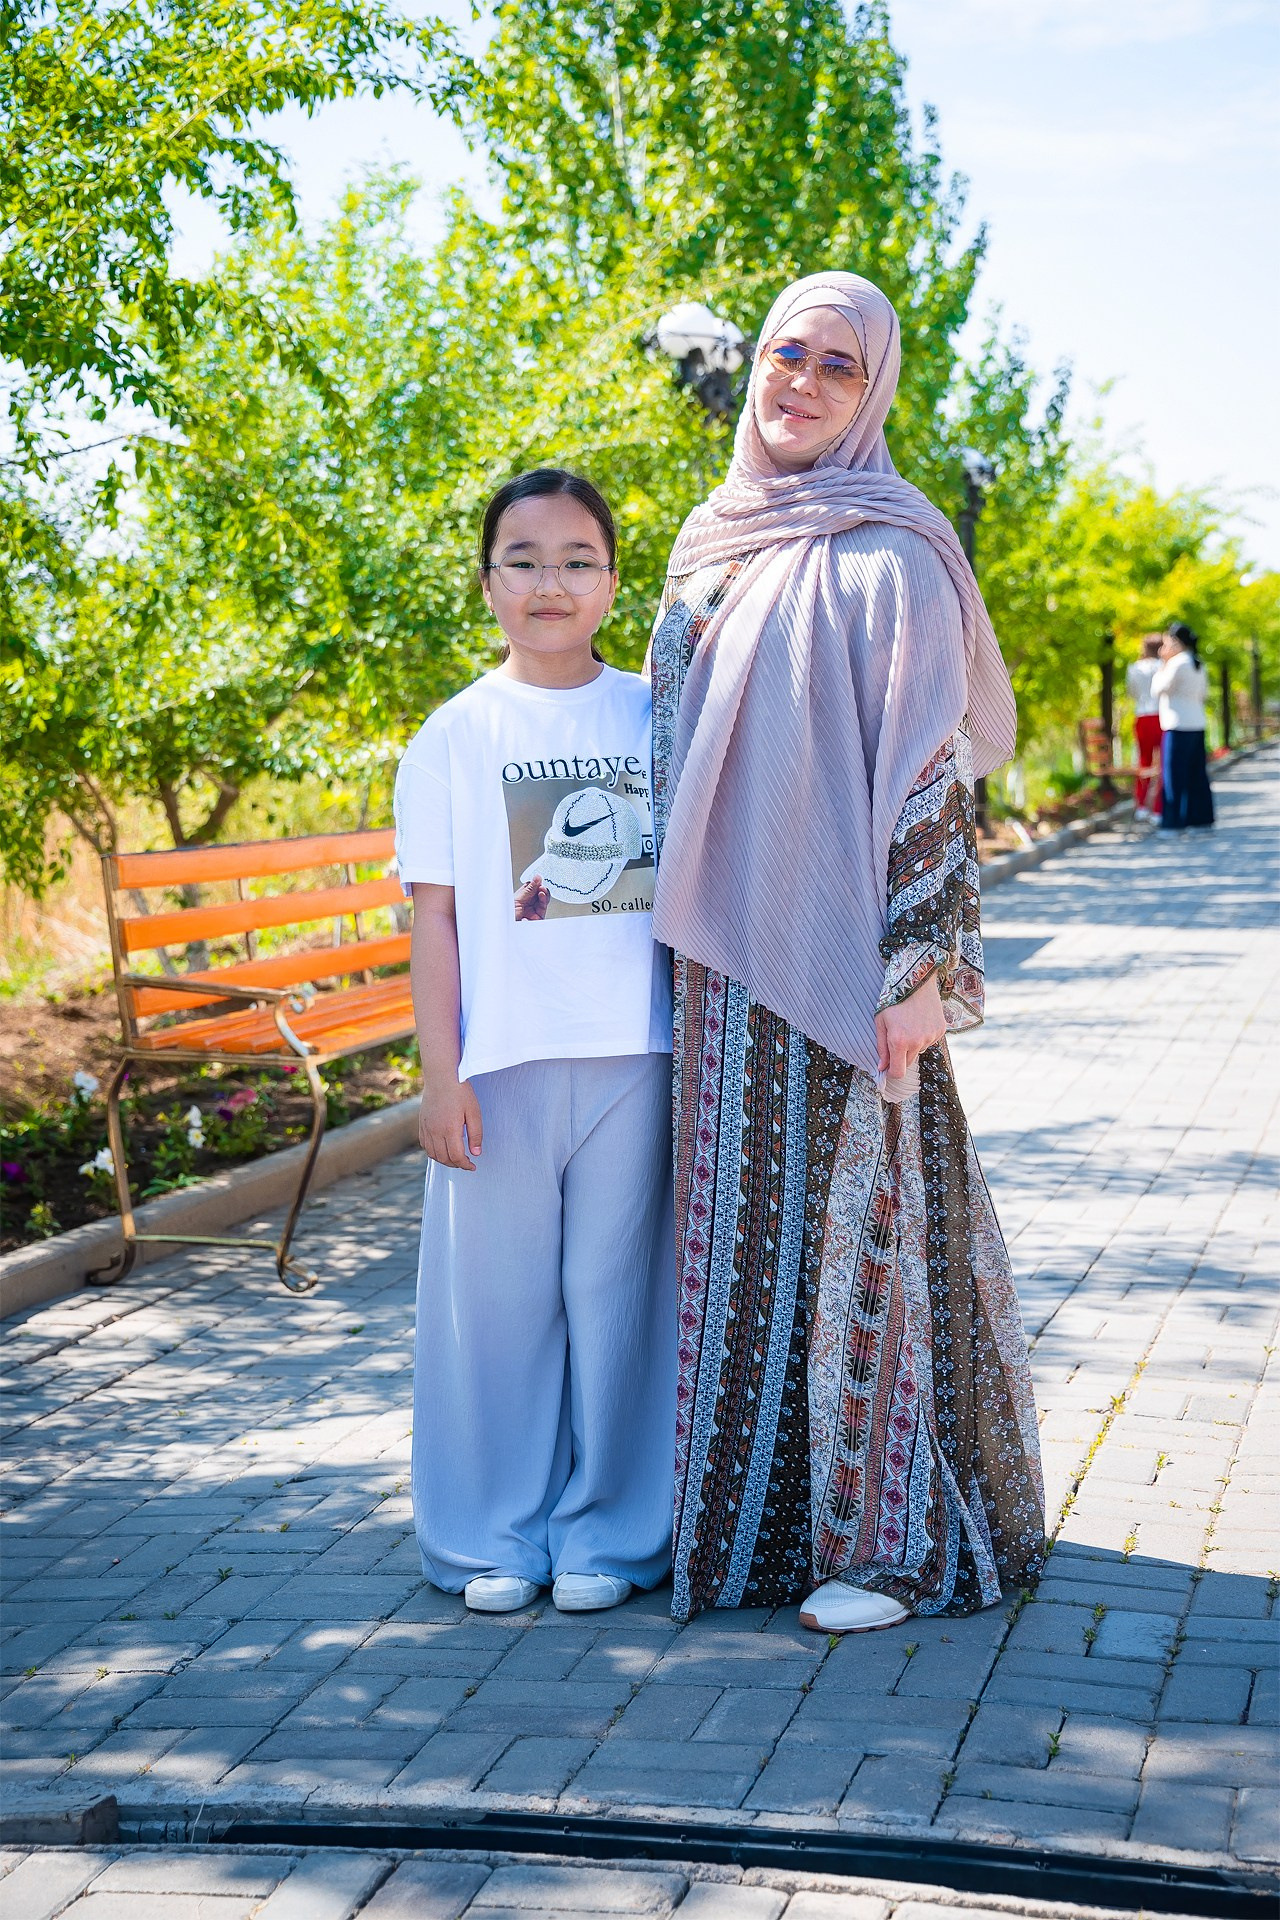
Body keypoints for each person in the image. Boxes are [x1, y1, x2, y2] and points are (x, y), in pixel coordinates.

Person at [648, 272, 1045, 1634]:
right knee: (734, 1247)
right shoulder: (712, 543)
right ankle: (757, 1536)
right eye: (784, 353)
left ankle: (886, 1544)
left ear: (872, 390)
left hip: (855, 958)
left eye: (836, 364)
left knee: (861, 1240)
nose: (801, 381)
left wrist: (922, 966)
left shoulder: (899, 551)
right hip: (717, 965)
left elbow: (932, 772)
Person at [395, 468, 675, 1616]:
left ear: (613, 580)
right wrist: (437, 1075)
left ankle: (606, 1536)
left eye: (576, 560)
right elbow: (437, 917)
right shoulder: (454, 734)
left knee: (616, 1308)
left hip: (637, 1058)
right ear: (485, 579)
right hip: (499, 1070)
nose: (548, 583)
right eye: (522, 559)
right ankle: (491, 1540)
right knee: (497, 1313)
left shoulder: (657, 714)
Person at [1153, 621, 1214, 830]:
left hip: (1177, 725)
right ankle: (1200, 819)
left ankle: (1172, 823)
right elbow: (1204, 694)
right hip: (1197, 723)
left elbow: (1158, 688)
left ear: (1176, 641)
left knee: (1173, 775)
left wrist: (1163, 662)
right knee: (1197, 774)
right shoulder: (1198, 662)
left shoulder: (1176, 663)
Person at [1126, 634, 1165, 821]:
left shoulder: (1134, 668)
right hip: (1161, 716)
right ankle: (1158, 807)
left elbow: (1131, 693)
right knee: (1162, 763)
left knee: (1144, 760)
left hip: (1141, 715)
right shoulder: (1163, 666)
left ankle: (1141, 804)